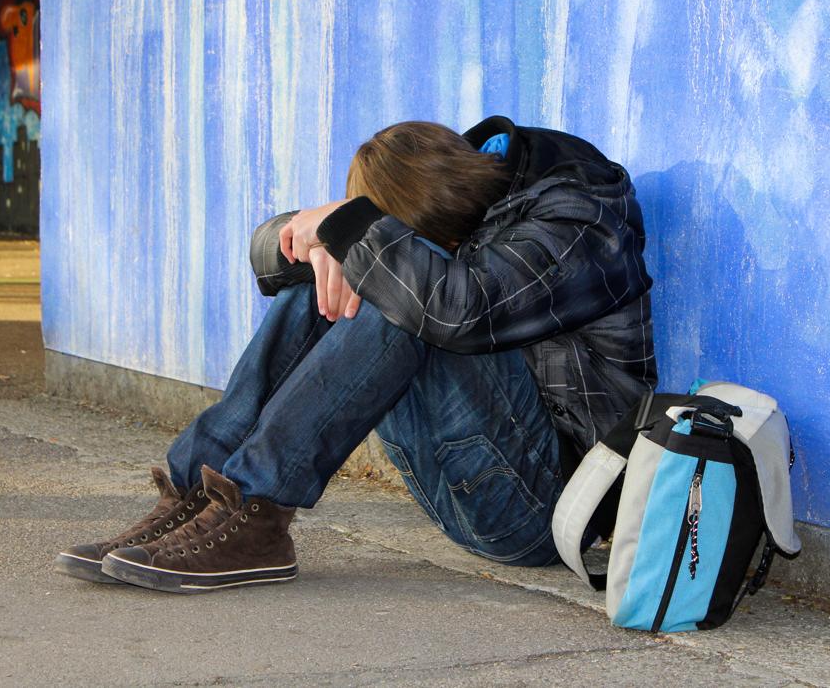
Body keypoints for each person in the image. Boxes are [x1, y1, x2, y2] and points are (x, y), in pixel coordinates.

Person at [55, 116, 656, 593]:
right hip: (462, 485)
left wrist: (355, 236)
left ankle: (257, 512)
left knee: (404, 292)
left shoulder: (577, 219)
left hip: (545, 509)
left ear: (461, 215)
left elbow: (458, 307)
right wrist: (324, 239)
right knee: (341, 276)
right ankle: (200, 494)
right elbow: (271, 255)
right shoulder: (447, 188)